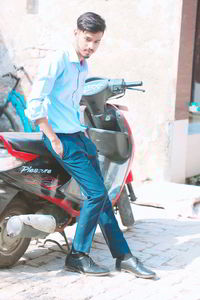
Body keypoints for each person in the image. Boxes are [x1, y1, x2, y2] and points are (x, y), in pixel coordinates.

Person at [26, 12, 156, 278]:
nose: (91, 47)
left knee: (103, 197)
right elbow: (35, 102)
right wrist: (51, 137)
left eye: (96, 42)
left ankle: (124, 257)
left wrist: (107, 105)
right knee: (96, 195)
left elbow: (71, 100)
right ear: (76, 33)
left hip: (80, 135)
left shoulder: (82, 66)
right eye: (87, 40)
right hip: (61, 138)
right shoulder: (57, 60)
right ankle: (77, 256)